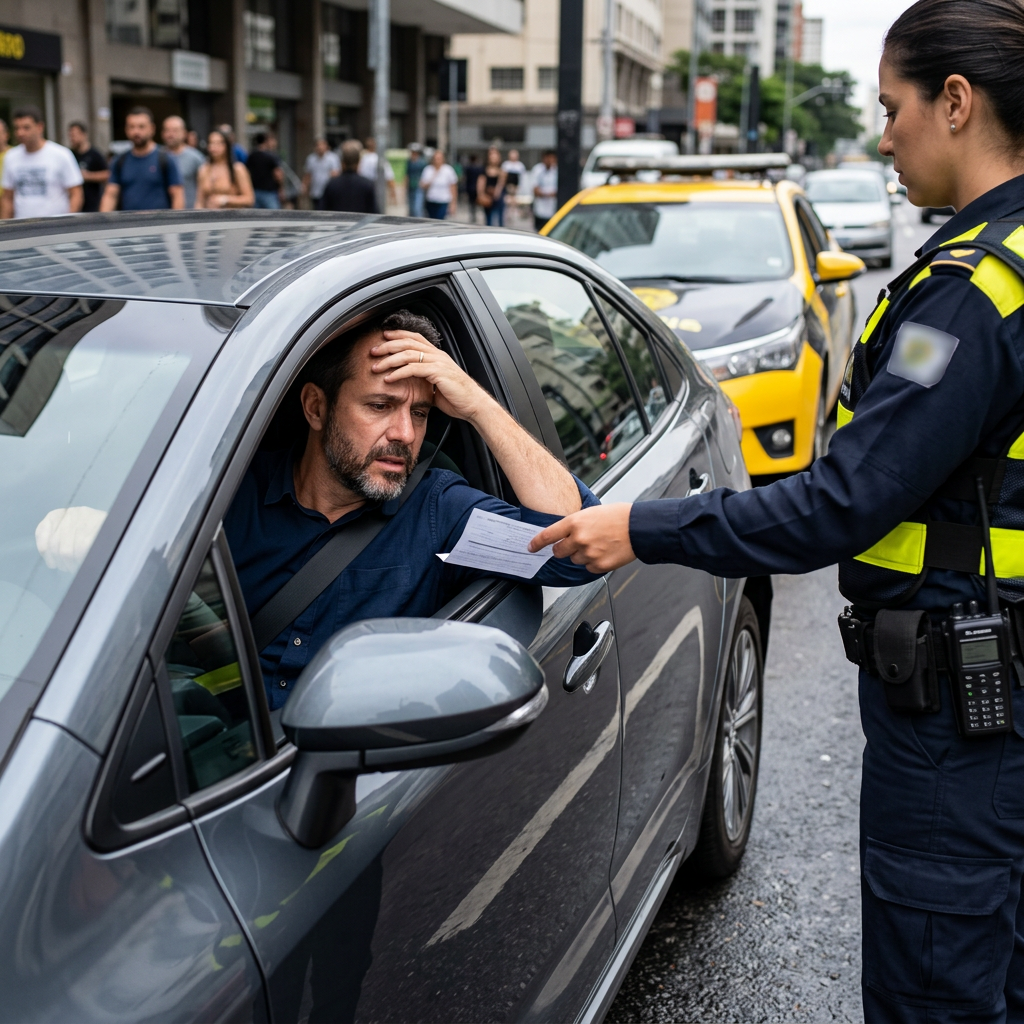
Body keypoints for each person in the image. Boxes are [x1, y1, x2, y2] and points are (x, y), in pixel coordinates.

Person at [530, 1, 1024, 1019]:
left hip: (964, 722)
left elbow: (840, 503)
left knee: (937, 982)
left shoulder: (973, 293)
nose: (883, 134)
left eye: (894, 108)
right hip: (996, 689)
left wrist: (639, 527)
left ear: (958, 103)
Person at [223, 308, 598, 710]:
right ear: (316, 407)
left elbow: (576, 551)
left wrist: (477, 405)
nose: (405, 434)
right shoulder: (230, 494)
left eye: (419, 413)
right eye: (380, 405)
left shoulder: (440, 514)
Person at [0, 106, 83, 219]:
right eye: (17, 128)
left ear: (39, 127)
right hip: (22, 228)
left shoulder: (61, 154)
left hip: (54, 228)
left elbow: (76, 193)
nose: (20, 133)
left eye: (26, 127)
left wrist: (67, 222)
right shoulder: (11, 156)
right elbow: (7, 198)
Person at [100, 107, 184, 212]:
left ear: (152, 129)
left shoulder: (166, 159)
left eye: (141, 127)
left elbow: (177, 195)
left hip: (159, 225)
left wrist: (175, 225)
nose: (136, 131)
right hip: (128, 225)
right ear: (126, 130)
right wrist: (104, 222)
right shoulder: (119, 161)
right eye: (132, 127)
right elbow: (111, 195)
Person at [195, 129, 255, 209]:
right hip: (210, 217)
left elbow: (249, 199)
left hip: (232, 217)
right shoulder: (204, 169)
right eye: (211, 143)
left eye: (218, 143)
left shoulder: (237, 169)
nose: (214, 147)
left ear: (226, 145)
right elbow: (200, 201)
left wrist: (225, 199)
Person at [320, 139, 379, 213]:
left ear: (342, 163)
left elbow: (322, 211)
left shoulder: (332, 184)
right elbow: (374, 213)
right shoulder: (367, 185)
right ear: (358, 163)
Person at [161, 115, 204, 210]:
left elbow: (204, 187)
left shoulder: (196, 157)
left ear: (184, 133)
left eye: (175, 130)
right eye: (167, 130)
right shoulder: (157, 157)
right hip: (162, 215)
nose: (170, 134)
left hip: (190, 214)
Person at [67, 121, 108, 214]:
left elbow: (107, 174)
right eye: (70, 136)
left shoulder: (95, 155)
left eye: (74, 135)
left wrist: (87, 176)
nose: (72, 139)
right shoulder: (69, 154)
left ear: (84, 135)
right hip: (74, 206)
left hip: (92, 204)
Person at [246, 131, 283, 209]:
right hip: (269, 192)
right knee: (274, 217)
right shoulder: (272, 156)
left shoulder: (251, 156)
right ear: (267, 141)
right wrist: (281, 189)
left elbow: (247, 173)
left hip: (254, 191)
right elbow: (278, 175)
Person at [419, 148, 458, 220]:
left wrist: (453, 203)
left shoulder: (448, 170)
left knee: (440, 219)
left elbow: (453, 187)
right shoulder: (428, 169)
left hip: (443, 200)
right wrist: (431, 179)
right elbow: (422, 185)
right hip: (431, 200)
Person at [303, 137, 340, 210]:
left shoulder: (333, 158)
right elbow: (308, 174)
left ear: (326, 146)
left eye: (322, 145)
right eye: (318, 145)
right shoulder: (311, 159)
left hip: (328, 191)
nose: (320, 147)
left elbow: (335, 173)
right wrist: (305, 187)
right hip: (316, 191)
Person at [358, 136, 396, 206]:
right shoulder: (380, 159)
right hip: (377, 190)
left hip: (364, 189)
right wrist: (393, 193)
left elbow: (359, 173)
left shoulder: (363, 159)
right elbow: (389, 176)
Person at [477, 146, 507, 227]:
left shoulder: (501, 170)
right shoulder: (484, 170)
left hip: (498, 197)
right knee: (488, 220)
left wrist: (496, 193)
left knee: (500, 219)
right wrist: (481, 194)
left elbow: (501, 183)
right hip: (487, 196)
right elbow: (481, 183)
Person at [531, 149, 558, 232]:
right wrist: (549, 193)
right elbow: (535, 190)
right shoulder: (537, 170)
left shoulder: (556, 171)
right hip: (540, 210)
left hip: (553, 210)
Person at [406, 142, 427, 217]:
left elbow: (426, 174)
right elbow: (407, 174)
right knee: (411, 208)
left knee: (417, 208)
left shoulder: (422, 162)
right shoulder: (409, 162)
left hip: (419, 187)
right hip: (410, 186)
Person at [463, 152, 483, 224]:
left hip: (470, 187)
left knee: (471, 203)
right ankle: (474, 215)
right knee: (475, 202)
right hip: (475, 188)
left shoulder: (468, 168)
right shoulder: (478, 168)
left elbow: (465, 179)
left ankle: (473, 215)